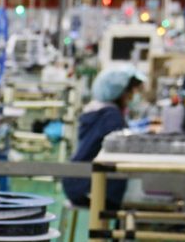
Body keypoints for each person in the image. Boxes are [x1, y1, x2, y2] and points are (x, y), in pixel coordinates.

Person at [62, 63, 145, 207]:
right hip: (88, 187)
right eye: (132, 90)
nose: (134, 95)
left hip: (77, 183)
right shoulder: (111, 116)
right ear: (120, 92)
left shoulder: (100, 111)